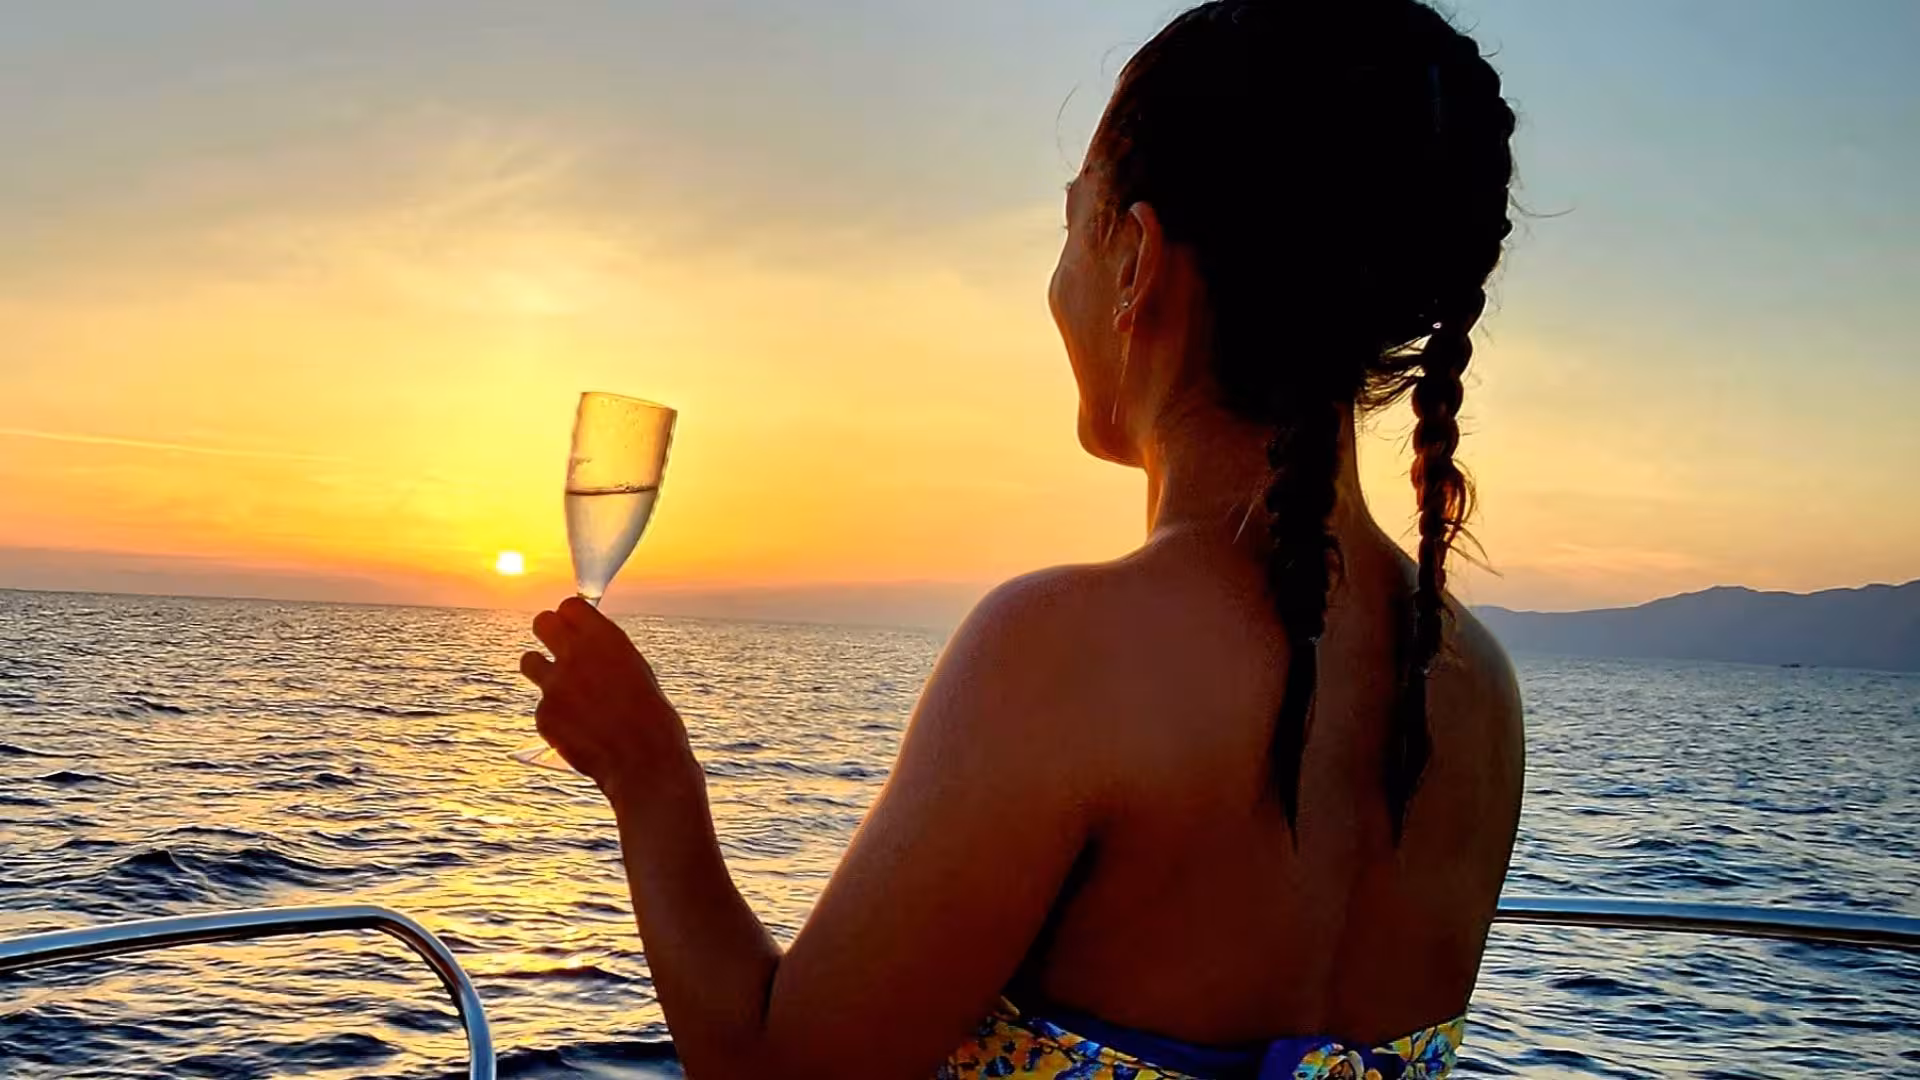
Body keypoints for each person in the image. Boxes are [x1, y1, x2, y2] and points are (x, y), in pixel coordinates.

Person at [518, 1, 1524, 1076]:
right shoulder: (1473, 685)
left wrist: (650, 776)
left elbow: (776, 1069)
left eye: (1070, 214)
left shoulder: (1064, 654)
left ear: (1137, 258)